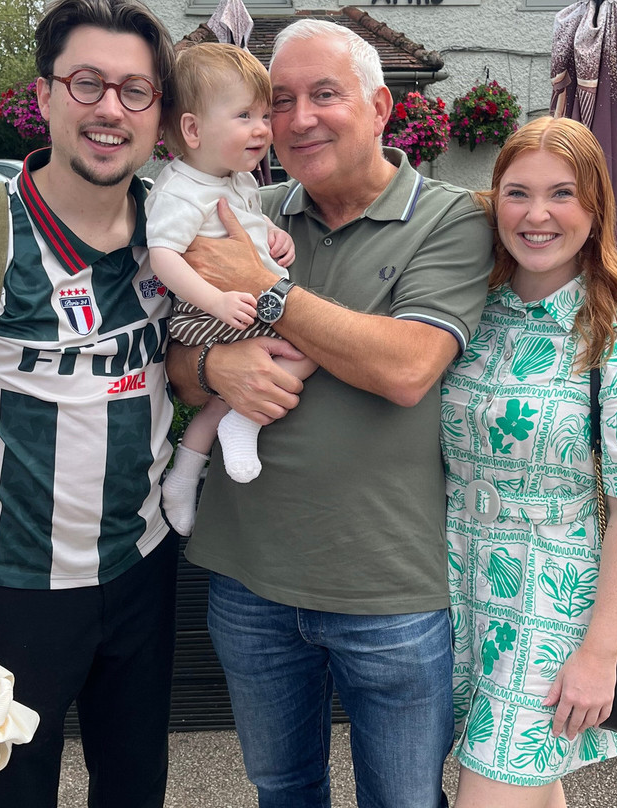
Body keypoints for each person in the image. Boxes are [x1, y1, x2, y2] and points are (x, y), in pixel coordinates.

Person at [166, 19, 492, 808]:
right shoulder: (246, 209)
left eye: (324, 94)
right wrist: (213, 365)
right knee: (282, 789)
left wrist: (267, 288)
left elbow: (407, 368)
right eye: (280, 100)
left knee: (403, 800)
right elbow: (176, 361)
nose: (298, 118)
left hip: (390, 588)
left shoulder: (451, 220)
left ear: (380, 107)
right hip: (250, 578)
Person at [0, 1, 178, 805]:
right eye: (87, 83)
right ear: (44, 94)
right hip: (11, 589)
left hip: (143, 565)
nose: (111, 108)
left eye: (135, 90)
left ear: (159, 114)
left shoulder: (173, 232)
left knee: (136, 790)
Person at [442, 116, 617, 808]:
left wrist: (599, 653)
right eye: (518, 193)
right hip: (451, 586)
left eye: (562, 194)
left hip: (551, 602)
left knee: (494, 789)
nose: (537, 214)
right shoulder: (471, 308)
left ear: (595, 208)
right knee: (529, 785)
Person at [148, 43, 316, 536]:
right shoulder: (181, 191)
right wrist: (216, 300)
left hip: (241, 305)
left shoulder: (235, 179)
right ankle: (244, 422)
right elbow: (163, 256)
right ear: (193, 129)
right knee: (316, 339)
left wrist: (275, 235)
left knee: (228, 394)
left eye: (264, 115)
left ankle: (183, 475)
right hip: (211, 313)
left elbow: (248, 222)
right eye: (244, 115)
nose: (263, 129)